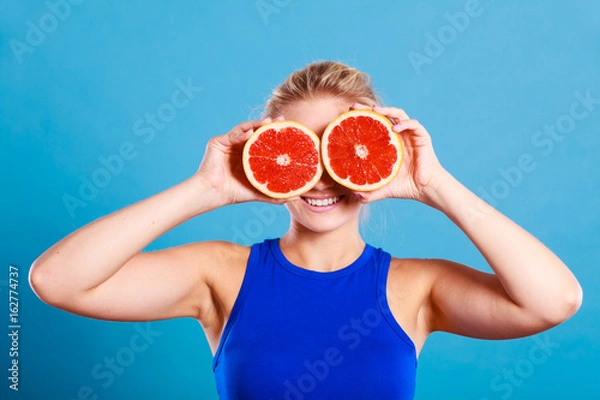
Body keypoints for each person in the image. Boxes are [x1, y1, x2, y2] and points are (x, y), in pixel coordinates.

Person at [29, 61, 583, 399]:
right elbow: (57, 280)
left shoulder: (418, 288)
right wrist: (206, 189)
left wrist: (434, 184)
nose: (321, 176)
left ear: (379, 155)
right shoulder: (219, 274)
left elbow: (555, 300)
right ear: (267, 157)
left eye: (341, 149)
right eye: (300, 150)